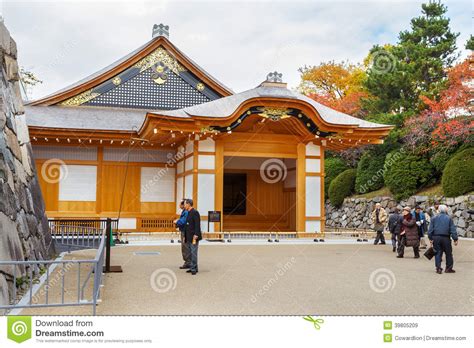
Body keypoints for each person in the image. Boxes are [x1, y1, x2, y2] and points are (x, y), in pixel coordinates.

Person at [428, 204, 459, 274]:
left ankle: (438, 268)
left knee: (438, 253)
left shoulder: (433, 218)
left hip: (436, 237)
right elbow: (452, 230)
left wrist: (430, 238)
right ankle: (448, 268)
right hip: (446, 238)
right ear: (446, 210)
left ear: (438, 210)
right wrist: (455, 239)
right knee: (448, 253)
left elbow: (430, 230)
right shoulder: (449, 218)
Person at [183, 198, 202, 275]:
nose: (184, 206)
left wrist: (196, 234)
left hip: (194, 236)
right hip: (189, 236)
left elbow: (197, 224)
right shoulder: (188, 212)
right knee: (190, 252)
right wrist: (185, 235)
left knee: (194, 252)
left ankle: (194, 268)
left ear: (188, 204)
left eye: (185, 204)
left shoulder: (195, 212)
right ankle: (193, 267)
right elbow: (186, 225)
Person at [174, 199, 191, 269]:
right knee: (185, 246)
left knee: (185, 247)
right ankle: (188, 261)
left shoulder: (186, 212)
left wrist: (177, 222)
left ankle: (188, 262)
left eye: (181, 204)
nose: (179, 205)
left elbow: (183, 221)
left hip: (185, 231)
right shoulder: (184, 211)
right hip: (184, 230)